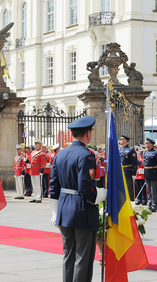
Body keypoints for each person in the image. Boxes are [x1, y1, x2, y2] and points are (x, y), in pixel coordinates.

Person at [49, 116, 107, 282]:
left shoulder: (60, 155)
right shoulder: (86, 155)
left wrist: (55, 212)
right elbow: (86, 188)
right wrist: (104, 194)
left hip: (64, 210)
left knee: (69, 256)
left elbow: (53, 188)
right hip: (82, 210)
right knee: (83, 258)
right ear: (88, 133)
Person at [119, 134, 137, 200]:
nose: (120, 140)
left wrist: (133, 173)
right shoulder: (120, 149)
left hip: (128, 170)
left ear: (125, 140)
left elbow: (134, 162)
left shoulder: (130, 149)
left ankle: (129, 199)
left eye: (121, 139)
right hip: (121, 169)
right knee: (122, 185)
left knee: (128, 186)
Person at [29, 139, 46, 203]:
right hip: (32, 169)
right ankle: (35, 197)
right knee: (34, 184)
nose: (35, 144)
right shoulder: (33, 152)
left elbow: (43, 162)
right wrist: (27, 161)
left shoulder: (42, 152)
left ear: (40, 145)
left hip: (38, 169)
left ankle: (39, 197)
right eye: (35, 143)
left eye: (37, 143)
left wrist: (42, 169)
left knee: (38, 184)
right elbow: (31, 161)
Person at [144, 138, 157, 212]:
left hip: (154, 173)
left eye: (147, 143)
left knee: (153, 190)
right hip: (147, 172)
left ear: (151, 144)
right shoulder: (145, 153)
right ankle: (149, 204)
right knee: (148, 190)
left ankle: (154, 205)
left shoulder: (155, 153)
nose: (146, 144)